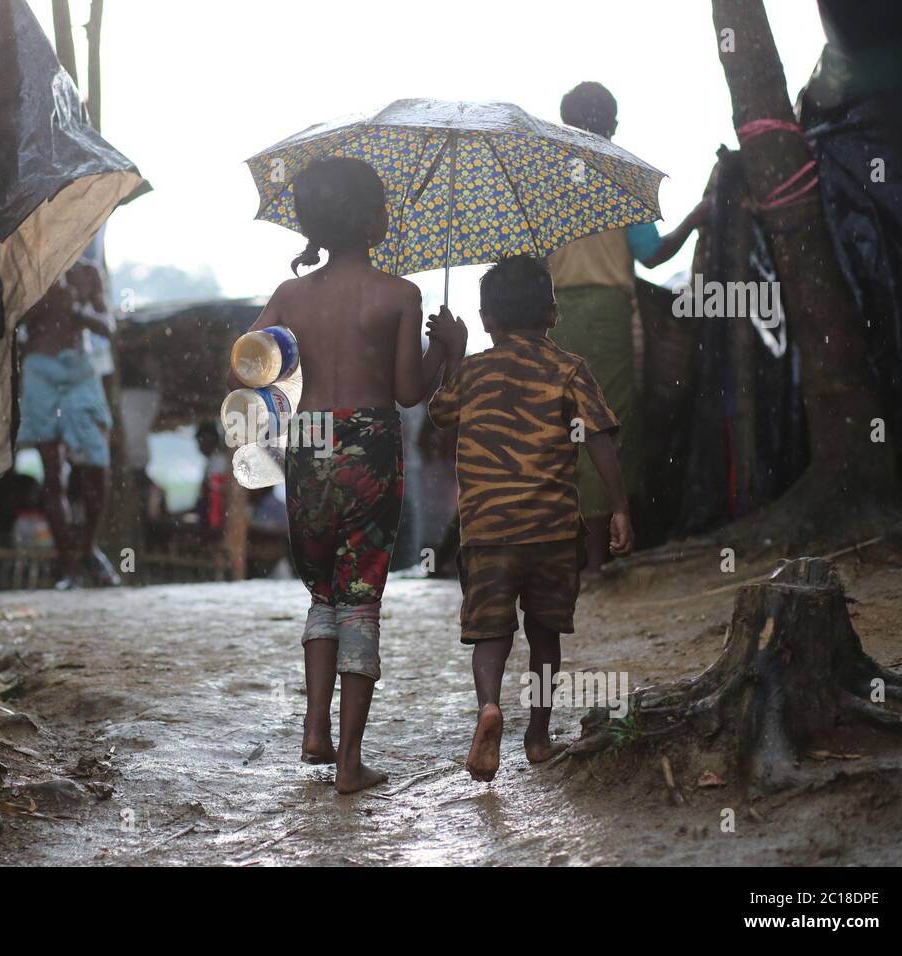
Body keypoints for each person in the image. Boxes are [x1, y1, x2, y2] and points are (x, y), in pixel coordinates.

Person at [235, 157, 459, 794]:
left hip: (308, 445)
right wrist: (445, 346)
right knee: (361, 599)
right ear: (370, 220)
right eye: (383, 204)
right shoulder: (401, 295)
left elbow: (247, 366)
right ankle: (350, 762)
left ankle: (314, 728)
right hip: (369, 448)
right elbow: (410, 393)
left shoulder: (290, 296)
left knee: (323, 596)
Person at [427, 256, 632, 781]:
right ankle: (538, 736)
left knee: (489, 634)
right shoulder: (569, 368)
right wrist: (618, 508)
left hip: (487, 534)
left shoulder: (472, 371)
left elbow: (440, 414)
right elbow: (602, 440)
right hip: (552, 532)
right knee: (545, 634)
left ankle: (489, 707)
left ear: (487, 318)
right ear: (553, 313)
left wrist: (452, 352)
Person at [550, 81, 709, 574]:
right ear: (613, 127)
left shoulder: (544, 179)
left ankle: (565, 555)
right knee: (603, 427)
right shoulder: (618, 176)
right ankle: (599, 560)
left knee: (561, 429)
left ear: (563, 123)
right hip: (606, 317)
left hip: (551, 320)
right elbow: (652, 254)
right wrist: (697, 219)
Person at [17, 263, 122, 590]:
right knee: (52, 471)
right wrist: (40, 303)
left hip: (79, 369)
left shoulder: (88, 272)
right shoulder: (34, 263)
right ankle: (69, 567)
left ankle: (89, 547)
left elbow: (108, 326)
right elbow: (13, 322)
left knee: (98, 459)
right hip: (38, 367)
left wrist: (79, 310)